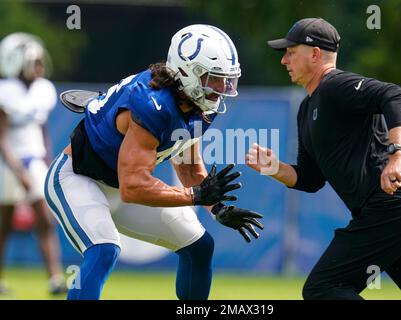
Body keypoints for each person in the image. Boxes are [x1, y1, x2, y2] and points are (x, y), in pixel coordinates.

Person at [44, 24, 264, 300]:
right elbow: (133, 187)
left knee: (199, 246)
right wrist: (194, 196)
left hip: (121, 186)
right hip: (78, 178)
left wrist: (217, 208)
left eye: (226, 79)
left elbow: (187, 165)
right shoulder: (153, 104)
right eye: (213, 78)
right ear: (187, 71)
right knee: (103, 249)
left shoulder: (197, 102)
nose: (222, 88)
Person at [246, 17, 401, 300]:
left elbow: (393, 95)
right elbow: (310, 179)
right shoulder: (306, 110)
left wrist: (397, 155)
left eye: (291, 52)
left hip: (394, 204)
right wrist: (274, 168)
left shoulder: (334, 85)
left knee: (323, 288)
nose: (284, 61)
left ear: (315, 53)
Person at [0, 32, 67, 294]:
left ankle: (55, 278)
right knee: (3, 225)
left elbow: (41, 130)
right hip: (8, 164)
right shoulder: (6, 91)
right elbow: (2, 138)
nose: (39, 68)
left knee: (45, 219)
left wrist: (46, 159)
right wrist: (19, 171)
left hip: (34, 160)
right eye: (33, 63)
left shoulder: (43, 90)